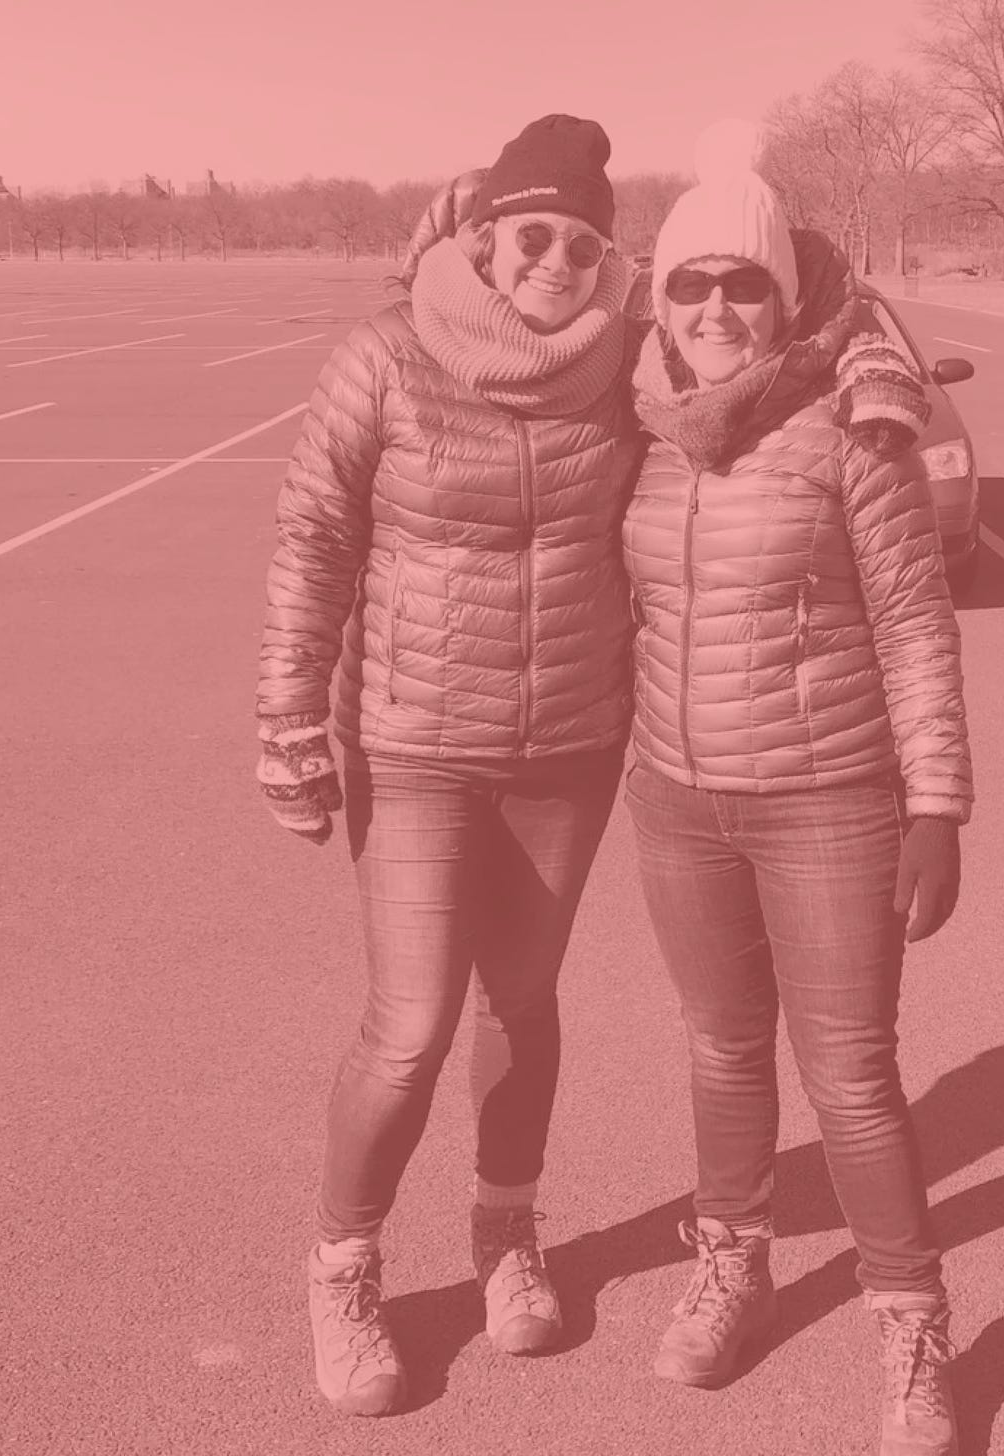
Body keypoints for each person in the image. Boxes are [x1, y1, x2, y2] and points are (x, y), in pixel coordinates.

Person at [255, 114, 641, 1418]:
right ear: (483, 239)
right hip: (415, 736)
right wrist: (289, 719)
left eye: (587, 245)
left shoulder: (629, 364)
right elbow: (312, 538)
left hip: (569, 744)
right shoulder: (385, 354)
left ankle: (505, 1234)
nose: (560, 264)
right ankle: (344, 1269)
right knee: (411, 1022)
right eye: (536, 235)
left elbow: (755, 360)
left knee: (519, 1003)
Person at [620, 121, 973, 1456]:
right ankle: (736, 1262)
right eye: (691, 285)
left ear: (786, 294)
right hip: (677, 799)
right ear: (659, 302)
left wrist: (935, 803)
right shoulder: (639, 426)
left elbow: (916, 624)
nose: (717, 308)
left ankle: (912, 1328)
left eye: (744, 283)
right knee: (720, 1049)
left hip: (830, 798)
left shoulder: (847, 422)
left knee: (852, 1077)